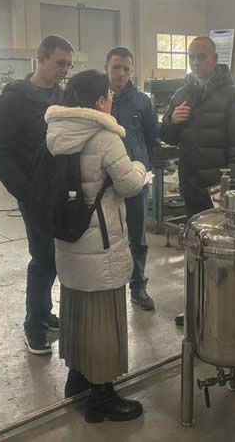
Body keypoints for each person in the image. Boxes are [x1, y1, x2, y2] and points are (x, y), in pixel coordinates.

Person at [45, 70, 147, 422]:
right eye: (109, 96)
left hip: (70, 237)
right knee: (102, 319)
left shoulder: (56, 131)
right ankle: (101, 396)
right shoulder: (105, 137)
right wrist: (139, 166)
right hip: (100, 243)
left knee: (76, 312)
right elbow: (129, 185)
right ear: (101, 101)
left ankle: (77, 380)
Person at [160, 36, 235, 326]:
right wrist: (172, 121)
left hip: (219, 191)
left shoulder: (233, 96)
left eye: (202, 57)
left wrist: (233, 189)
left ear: (215, 59)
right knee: (195, 249)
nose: (197, 62)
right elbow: (166, 136)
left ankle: (220, 310)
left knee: (222, 252)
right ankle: (196, 307)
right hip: (192, 186)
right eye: (192, 57)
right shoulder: (181, 94)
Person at [0, 36, 73, 355]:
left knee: (59, 257)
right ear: (40, 57)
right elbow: (0, 154)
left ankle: (44, 313)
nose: (64, 71)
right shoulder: (12, 102)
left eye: (68, 65)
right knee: (43, 258)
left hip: (63, 191)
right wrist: (26, 192)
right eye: (60, 63)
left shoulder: (63, 97)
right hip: (35, 193)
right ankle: (34, 326)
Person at [106, 47, 160, 311]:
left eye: (126, 68)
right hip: (104, 181)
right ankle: (108, 288)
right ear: (107, 68)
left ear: (132, 71)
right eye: (116, 67)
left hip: (136, 179)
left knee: (137, 238)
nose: (121, 73)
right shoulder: (97, 99)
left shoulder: (142, 102)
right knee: (105, 236)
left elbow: (152, 139)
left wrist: (145, 168)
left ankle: (138, 287)